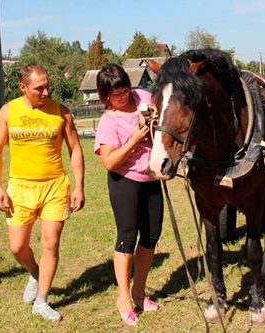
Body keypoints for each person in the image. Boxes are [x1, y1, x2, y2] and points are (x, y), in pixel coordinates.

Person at [0, 64, 85, 321]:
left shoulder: (62, 113)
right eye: (39, 88)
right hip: (20, 187)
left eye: (47, 86)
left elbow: (75, 149)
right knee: (17, 247)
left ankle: (41, 301)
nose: (45, 91)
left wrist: (79, 186)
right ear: (23, 88)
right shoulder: (8, 111)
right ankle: (34, 272)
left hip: (55, 186)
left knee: (50, 243)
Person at [94, 64, 163, 326]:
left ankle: (139, 291)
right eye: (116, 94)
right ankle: (124, 298)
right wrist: (135, 138)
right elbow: (109, 162)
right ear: (105, 97)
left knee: (151, 237)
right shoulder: (108, 121)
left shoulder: (144, 98)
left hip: (151, 177)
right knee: (127, 239)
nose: (124, 97)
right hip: (125, 181)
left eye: (125, 90)